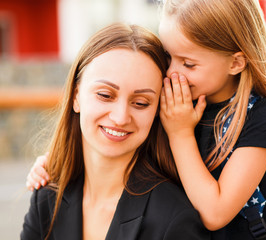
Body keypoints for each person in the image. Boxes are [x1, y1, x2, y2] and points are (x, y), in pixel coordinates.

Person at [26, 0, 266, 239]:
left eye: (188, 63)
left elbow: (215, 212)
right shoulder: (183, 96)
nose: (173, 71)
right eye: (169, 56)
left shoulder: (261, 118)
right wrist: (56, 162)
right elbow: (121, 140)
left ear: (235, 62)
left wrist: (180, 133)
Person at [21, 23, 210, 240]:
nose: (120, 118)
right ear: (75, 96)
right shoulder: (46, 198)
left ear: (157, 110)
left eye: (140, 102)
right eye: (105, 95)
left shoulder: (173, 218)